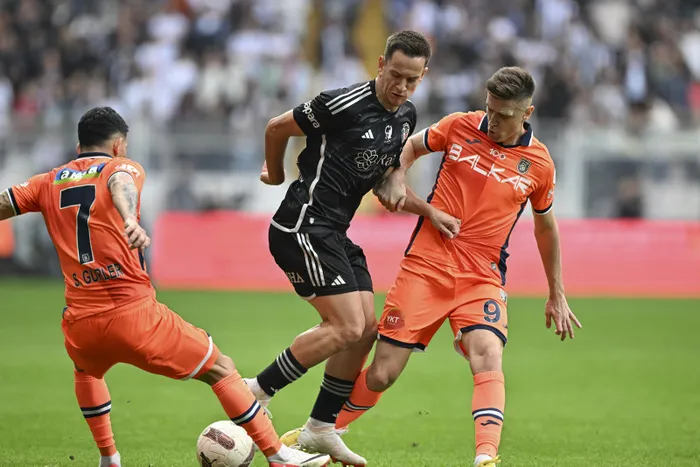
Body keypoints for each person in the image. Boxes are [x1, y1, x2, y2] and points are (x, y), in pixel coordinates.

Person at [0, 107, 330, 467]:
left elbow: (5, 202)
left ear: (79, 146)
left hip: (81, 322)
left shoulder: (47, 181)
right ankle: (279, 456)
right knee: (221, 368)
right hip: (133, 315)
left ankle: (109, 458)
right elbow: (119, 183)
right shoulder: (122, 167)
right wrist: (129, 218)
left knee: (87, 371)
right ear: (118, 144)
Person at [321, 66, 583, 467]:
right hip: (426, 267)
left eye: (503, 115)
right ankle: (322, 431)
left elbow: (545, 228)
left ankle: (486, 456)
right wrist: (397, 174)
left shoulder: (540, 164)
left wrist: (556, 293)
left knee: (488, 353)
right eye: (489, 109)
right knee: (382, 374)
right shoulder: (459, 125)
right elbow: (411, 146)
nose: (492, 121)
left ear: (526, 113)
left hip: (482, 276)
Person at [245, 31, 456, 466]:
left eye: (412, 80)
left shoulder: (405, 116)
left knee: (364, 331)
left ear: (423, 77)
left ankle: (321, 428)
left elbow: (384, 184)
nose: (401, 87)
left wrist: (425, 208)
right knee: (345, 326)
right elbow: (276, 127)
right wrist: (275, 173)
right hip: (301, 225)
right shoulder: (341, 104)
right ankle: (254, 393)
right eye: (395, 75)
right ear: (380, 64)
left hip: (335, 233)